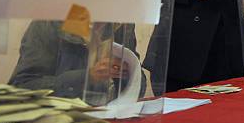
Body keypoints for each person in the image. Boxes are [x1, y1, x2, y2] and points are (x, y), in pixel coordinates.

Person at [9, 21, 144, 105]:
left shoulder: (120, 24)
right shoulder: (48, 23)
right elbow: (22, 87)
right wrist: (88, 77)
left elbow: (139, 87)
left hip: (107, 121)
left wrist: (127, 75)